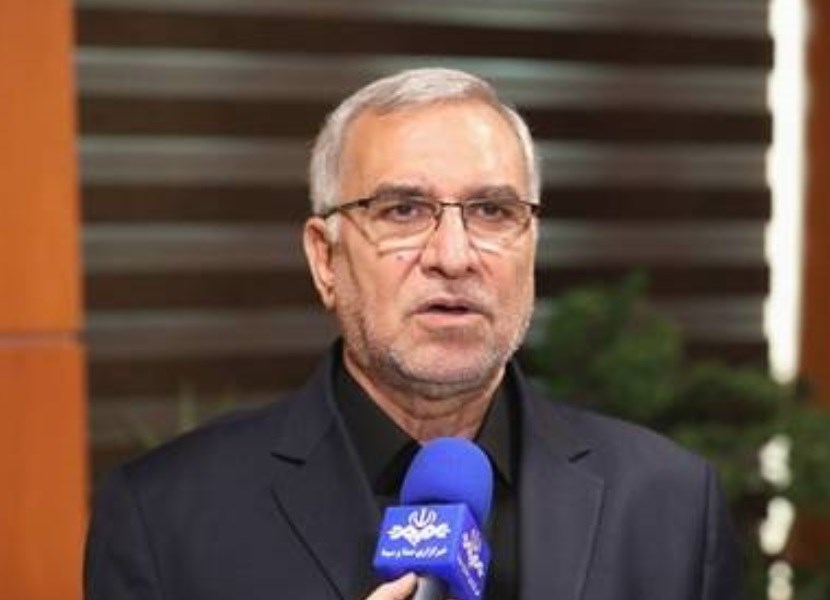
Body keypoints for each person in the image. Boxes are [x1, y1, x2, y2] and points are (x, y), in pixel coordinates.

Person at [84, 68, 741, 600]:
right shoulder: (164, 519)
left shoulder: (672, 506)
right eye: (403, 210)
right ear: (325, 259)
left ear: (532, 246)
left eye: (492, 211)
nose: (453, 256)